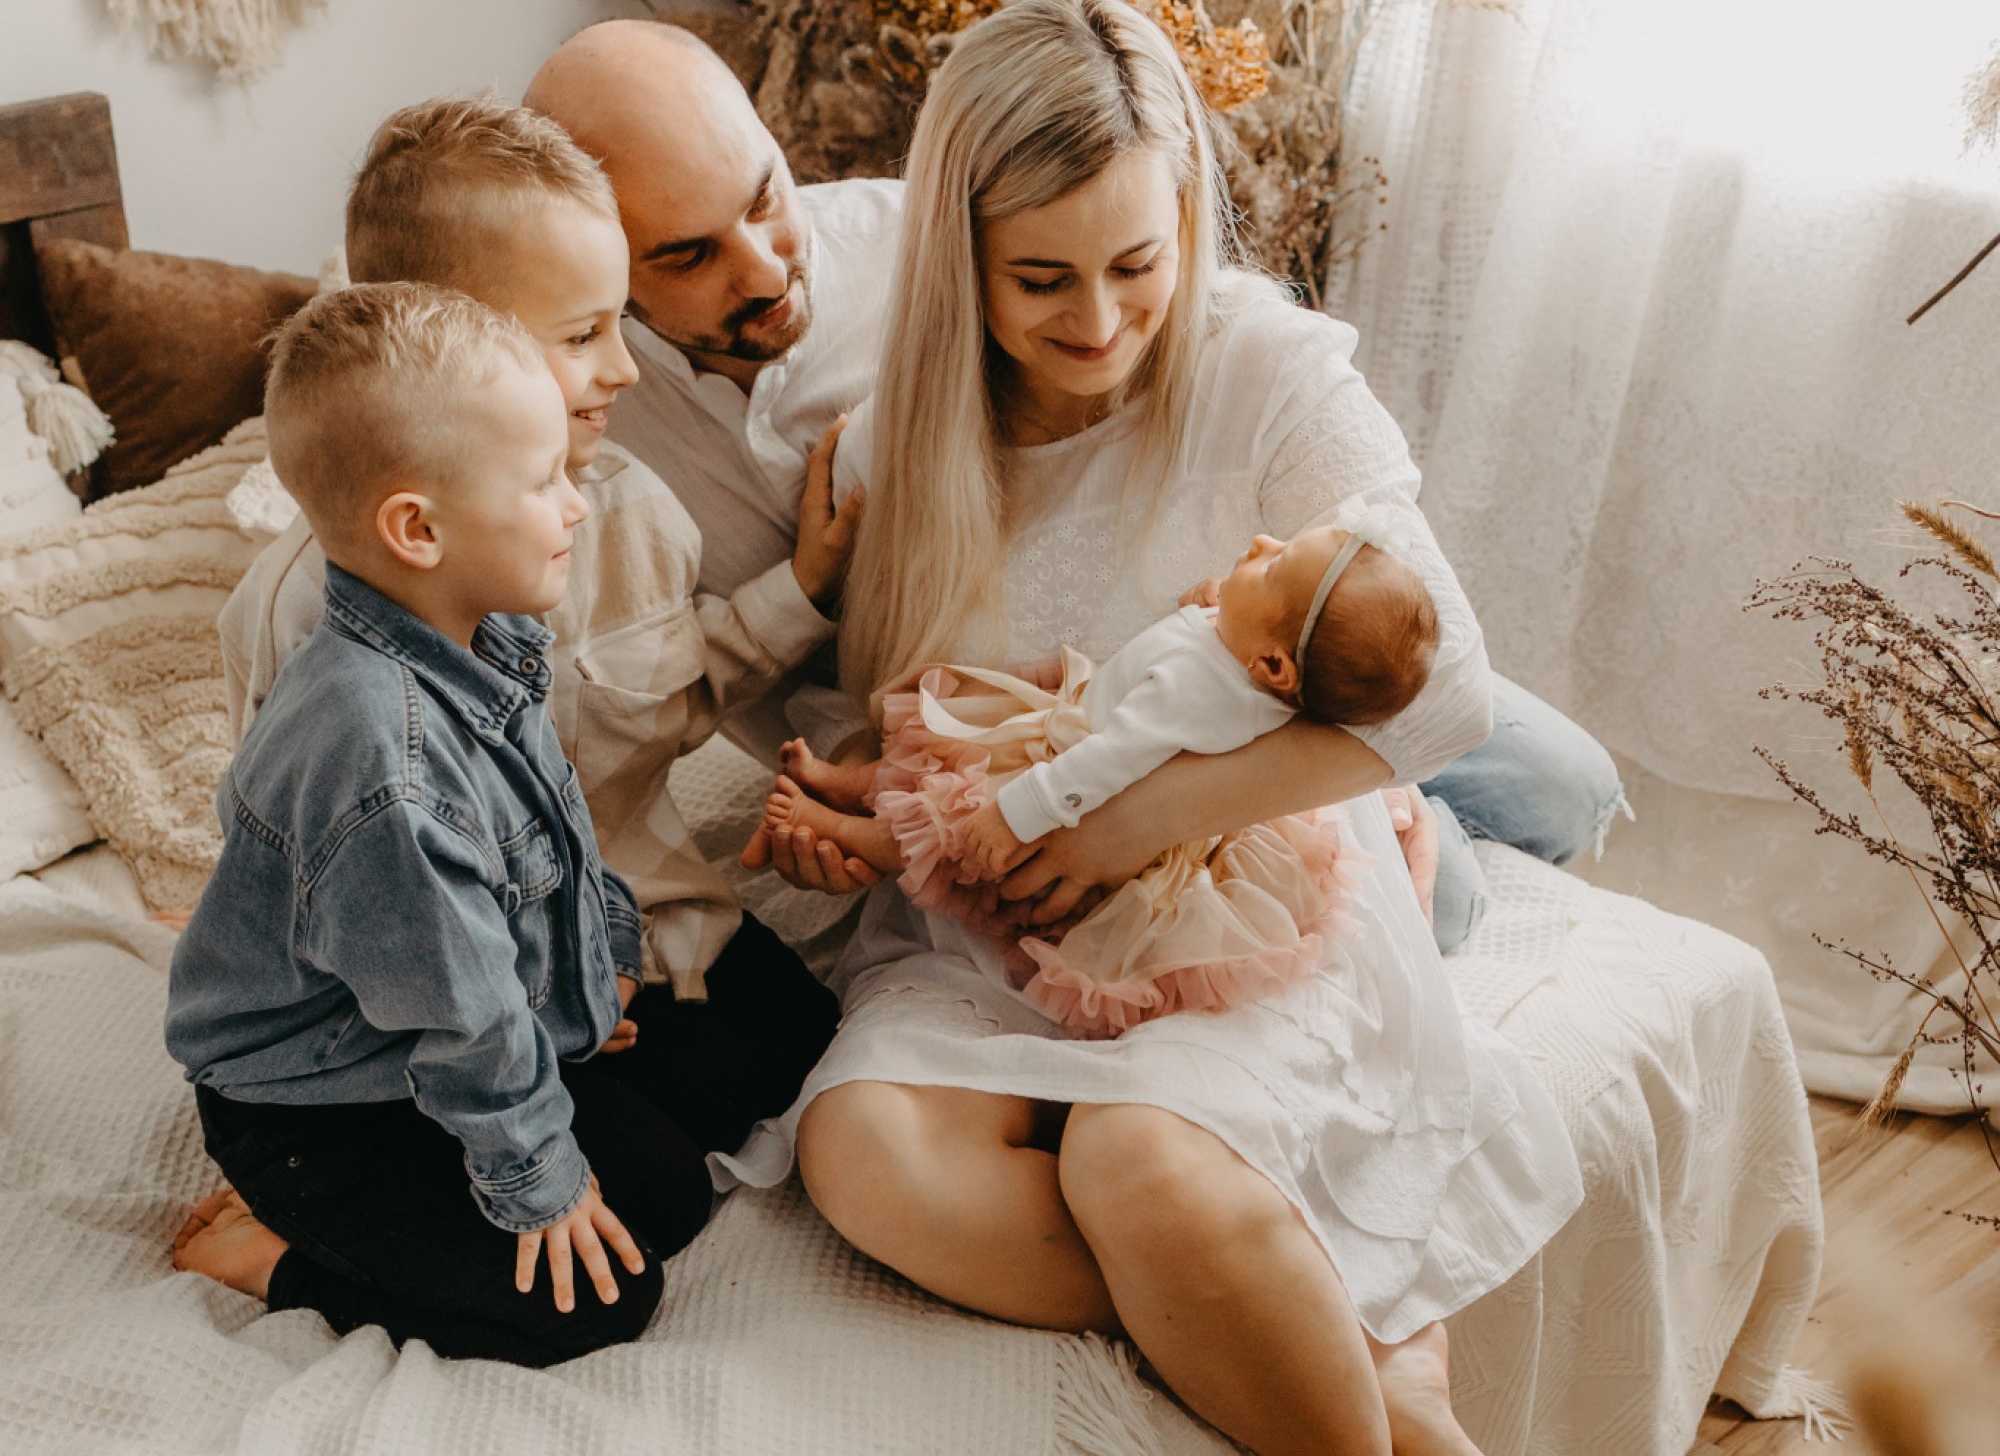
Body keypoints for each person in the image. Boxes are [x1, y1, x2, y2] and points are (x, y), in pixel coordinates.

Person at [737, 0, 1586, 1456]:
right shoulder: (899, 440)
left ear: (1187, 211)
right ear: (961, 260)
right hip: (992, 917)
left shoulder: (1269, 376)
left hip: (1234, 891)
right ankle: (1355, 1349)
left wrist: (1146, 819)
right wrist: (836, 794)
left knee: (1137, 1164)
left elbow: (1444, 689)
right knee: (864, 1157)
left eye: (1138, 262)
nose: (1103, 321)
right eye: (1042, 280)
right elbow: (928, 727)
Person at [525, 16, 1624, 943]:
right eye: (687, 255)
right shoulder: (570, 419)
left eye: (765, 195)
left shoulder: (922, 239)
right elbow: (651, 688)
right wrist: (856, 735)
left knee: (1560, 784)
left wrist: (1343, 761)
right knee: (1439, 904)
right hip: (987, 702)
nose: (766, 265)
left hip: (1206, 623)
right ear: (594, 264)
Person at [167, 284, 835, 1365]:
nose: (575, 507)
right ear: (417, 530)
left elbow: (560, 839)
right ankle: (275, 1250)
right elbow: (462, 1016)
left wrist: (599, 971)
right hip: (328, 1101)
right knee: (603, 1297)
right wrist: (540, 1184)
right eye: (542, 482)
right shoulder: (381, 769)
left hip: (435, 1030)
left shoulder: (487, 640)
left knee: (693, 1137)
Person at [217, 98, 860, 1017]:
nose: (626, 369)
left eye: (619, 323)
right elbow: (323, 853)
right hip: (468, 995)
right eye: (583, 335)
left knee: (814, 1036)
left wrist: (803, 588)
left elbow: (675, 687)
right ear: (451, 342)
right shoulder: (307, 609)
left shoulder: (633, 508)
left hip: (653, 921)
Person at [754, 511, 1436, 1038]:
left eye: (1273, 565)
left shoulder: (1197, 692)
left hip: (1078, 784)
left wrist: (1017, 811)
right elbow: (1200, 650)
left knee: (952, 828)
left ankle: (852, 832)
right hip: (1074, 733)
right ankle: (847, 782)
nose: (1261, 541)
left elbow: (1117, 756)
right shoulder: (1245, 656)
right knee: (948, 750)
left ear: (1275, 667)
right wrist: (1215, 603)